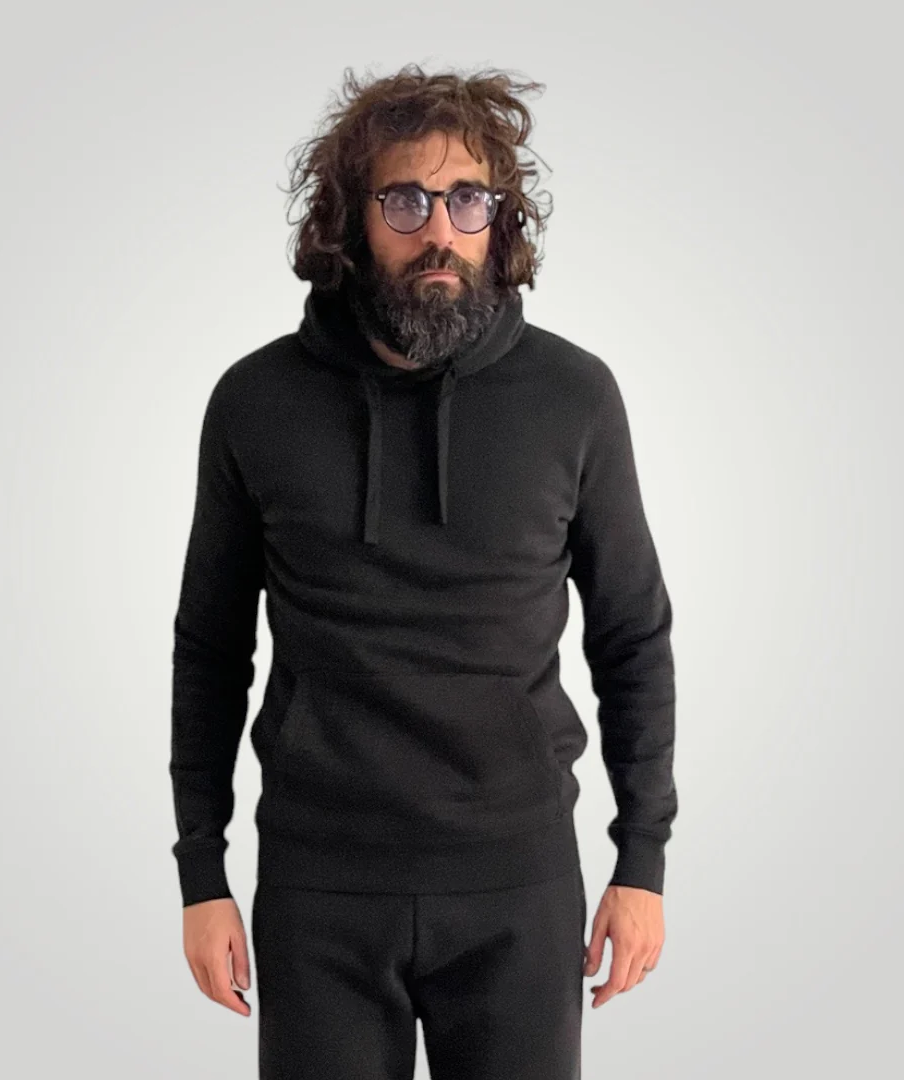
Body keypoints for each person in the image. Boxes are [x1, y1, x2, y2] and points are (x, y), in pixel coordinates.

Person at [169, 64, 677, 1080]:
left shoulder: (573, 396)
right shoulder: (255, 402)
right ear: (350, 221)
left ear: (499, 219)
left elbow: (632, 635)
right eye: (404, 200)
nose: (439, 229)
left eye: (467, 200)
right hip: (319, 886)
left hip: (518, 879)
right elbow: (210, 649)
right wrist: (202, 874)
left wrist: (643, 862)